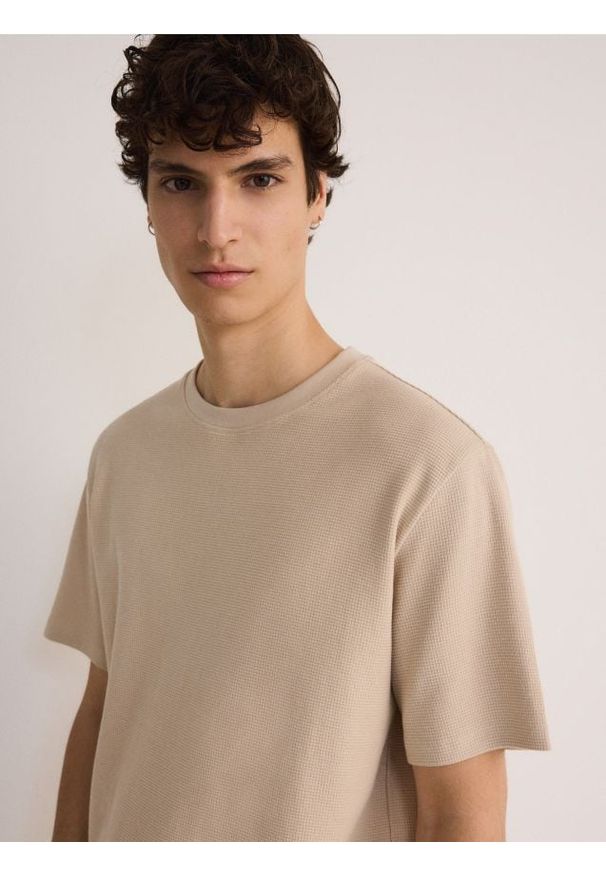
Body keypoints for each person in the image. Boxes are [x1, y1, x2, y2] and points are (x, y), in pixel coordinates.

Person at [43, 34, 551, 842]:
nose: (217, 229)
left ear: (318, 195)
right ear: (148, 202)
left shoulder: (430, 467)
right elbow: (103, 716)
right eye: (181, 182)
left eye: (258, 179)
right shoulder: (123, 455)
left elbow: (463, 813)